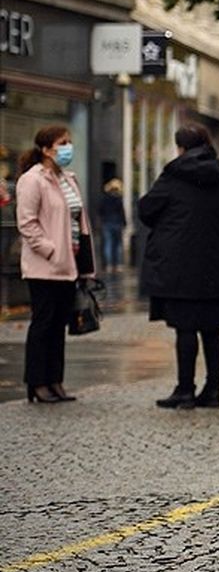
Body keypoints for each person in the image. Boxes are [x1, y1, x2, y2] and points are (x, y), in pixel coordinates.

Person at [140, 124, 219, 410]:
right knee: (214, 329)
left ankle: (185, 390)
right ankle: (213, 390)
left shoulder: (173, 176)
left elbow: (146, 210)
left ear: (181, 148)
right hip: (215, 266)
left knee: (185, 329)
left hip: (179, 266)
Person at [15, 125, 94, 404]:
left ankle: (55, 380)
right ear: (47, 149)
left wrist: (84, 261)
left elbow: (78, 221)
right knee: (43, 324)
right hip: (44, 266)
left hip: (69, 265)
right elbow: (27, 222)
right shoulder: (32, 180)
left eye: (69, 142)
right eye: (63, 143)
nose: (68, 147)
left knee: (59, 324)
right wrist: (50, 250)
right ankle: (37, 383)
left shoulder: (69, 178)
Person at [99, 178, 126, 273]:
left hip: (107, 223)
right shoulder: (118, 199)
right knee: (118, 245)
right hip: (117, 223)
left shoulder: (104, 198)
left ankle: (109, 265)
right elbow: (122, 212)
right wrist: (124, 223)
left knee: (108, 244)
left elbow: (100, 211)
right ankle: (118, 265)